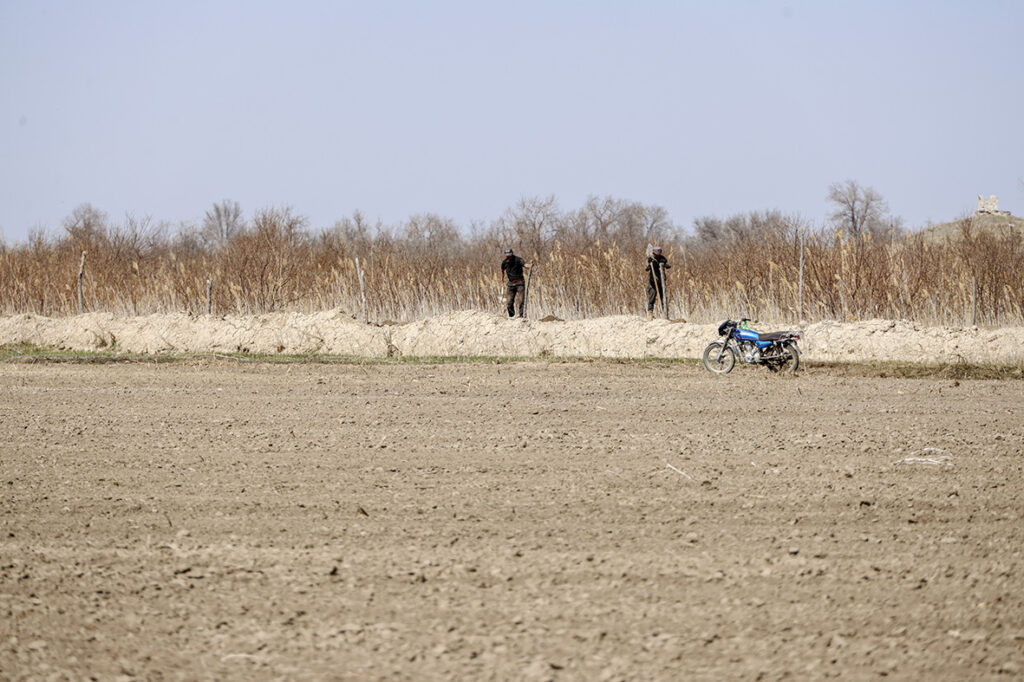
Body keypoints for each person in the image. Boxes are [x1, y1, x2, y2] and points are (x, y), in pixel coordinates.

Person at [500, 248, 531, 318]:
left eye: (509, 255)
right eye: (507, 256)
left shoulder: (518, 260)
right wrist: (501, 280)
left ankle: (521, 316)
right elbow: (502, 270)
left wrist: (530, 265)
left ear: (512, 254)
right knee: (509, 302)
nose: (508, 257)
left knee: (521, 301)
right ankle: (511, 316)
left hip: (520, 283)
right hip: (510, 284)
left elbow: (525, 265)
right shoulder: (504, 262)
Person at [645, 246, 670, 318]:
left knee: (663, 297)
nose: (657, 256)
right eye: (656, 254)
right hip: (652, 281)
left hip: (661, 281)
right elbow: (646, 268)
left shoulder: (663, 258)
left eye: (658, 254)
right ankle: (650, 313)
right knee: (652, 297)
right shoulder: (650, 259)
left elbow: (668, 266)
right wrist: (649, 264)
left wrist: (664, 263)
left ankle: (664, 314)